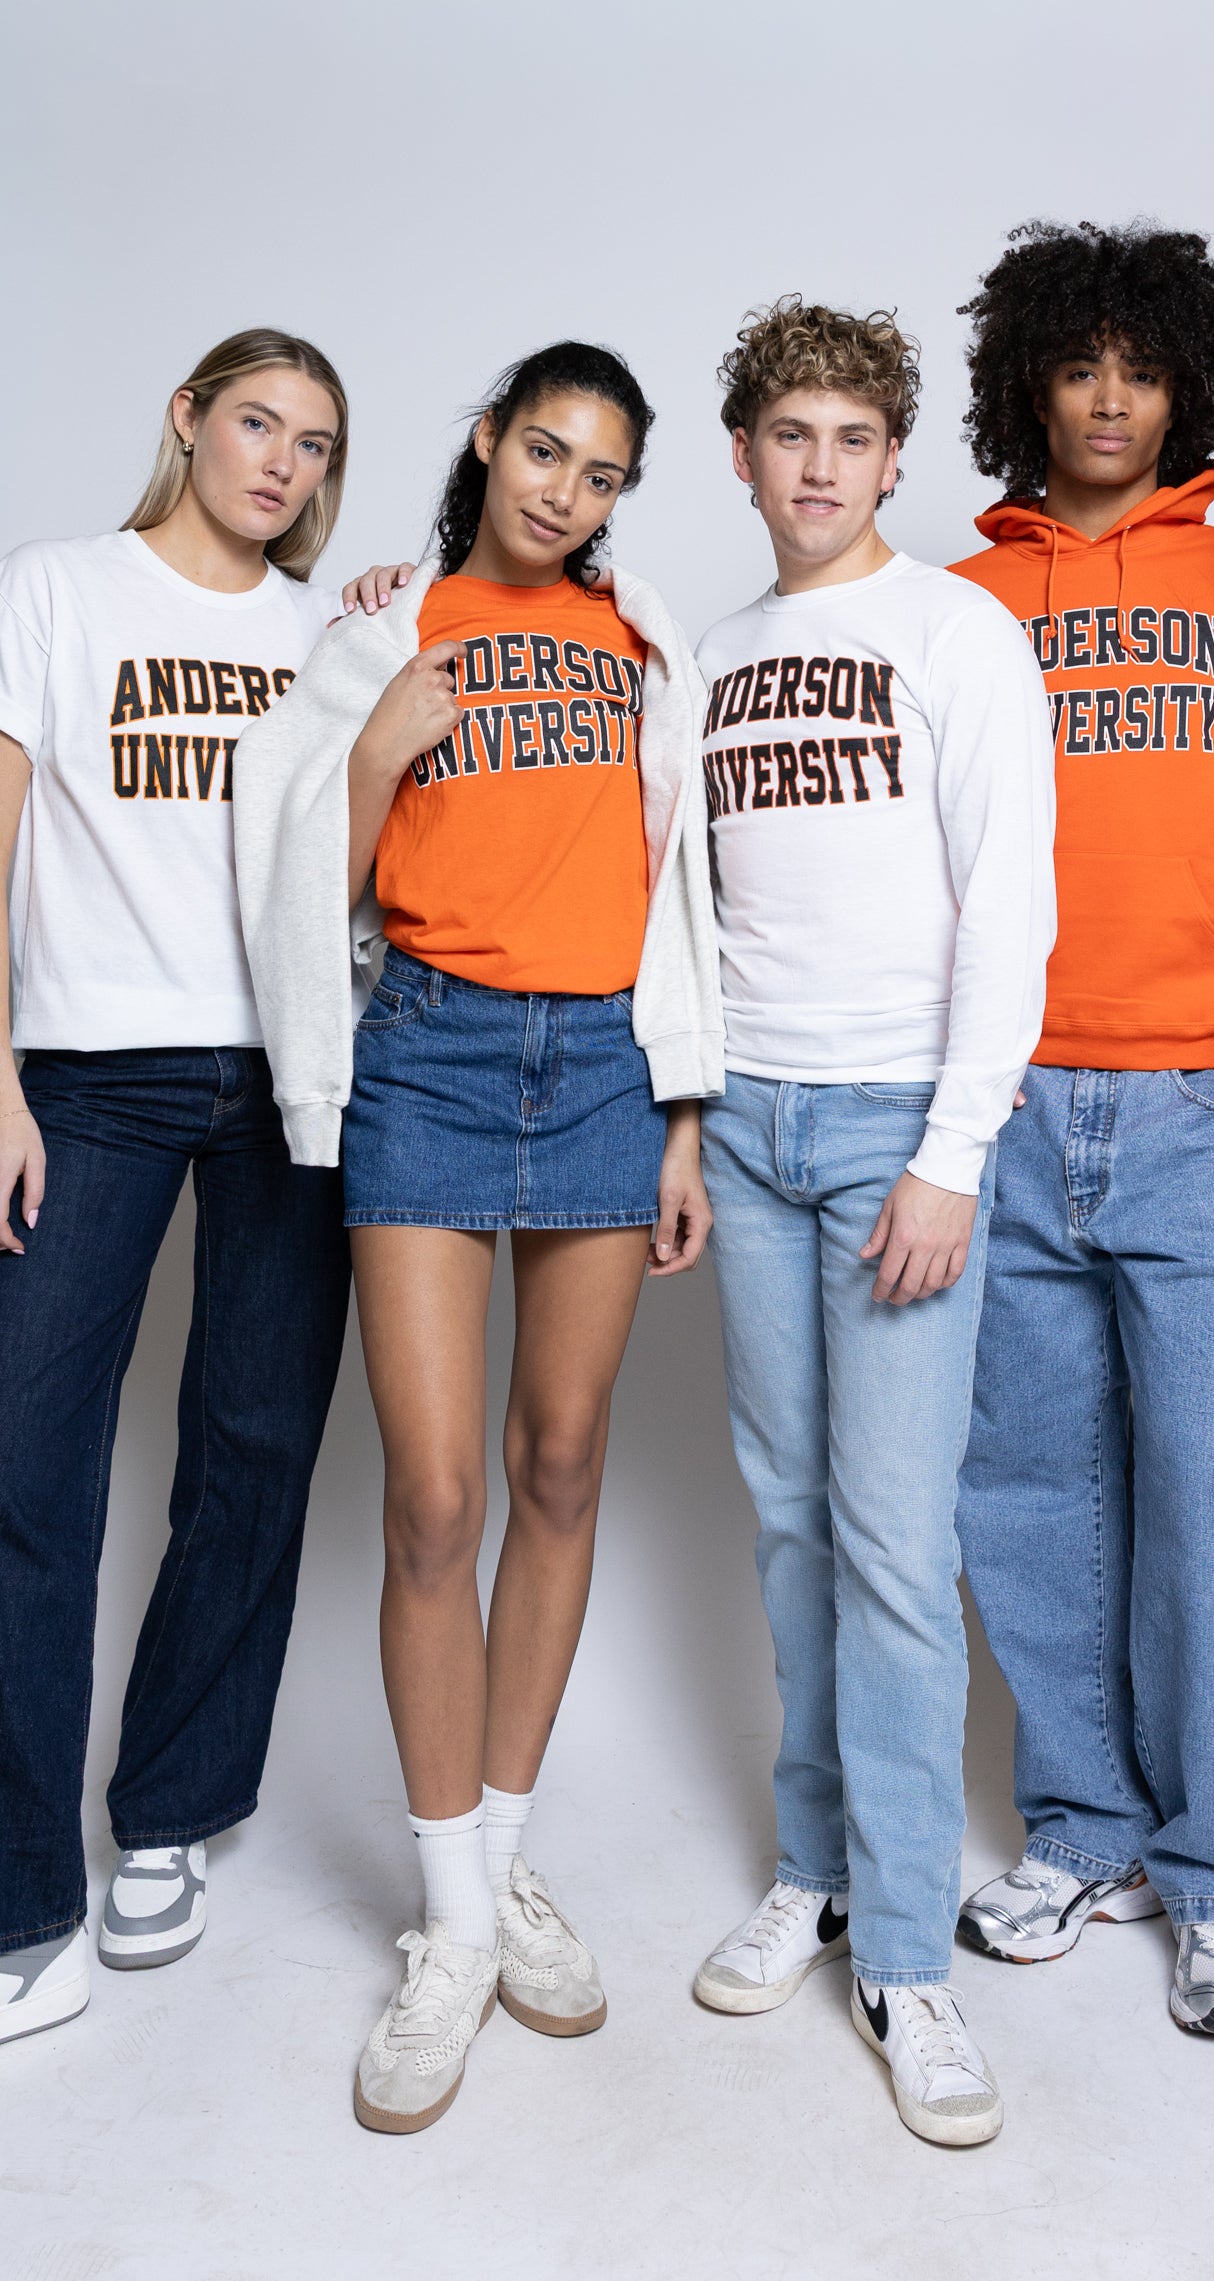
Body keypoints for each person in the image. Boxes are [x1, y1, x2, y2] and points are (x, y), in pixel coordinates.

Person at [234, 340, 723, 2136]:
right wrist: (378, 744)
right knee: (434, 1495)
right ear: (487, 444)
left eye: (601, 474)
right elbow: (302, 864)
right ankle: (448, 1926)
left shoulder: (647, 635)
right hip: (426, 1057)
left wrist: (683, 1109)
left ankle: (504, 1857)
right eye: (544, 454)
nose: (566, 494)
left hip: (603, 1059)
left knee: (564, 1464)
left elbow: (689, 882)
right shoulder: (383, 628)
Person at [690, 298, 1055, 2147]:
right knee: (785, 1516)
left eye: (851, 436)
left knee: (899, 1547)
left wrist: (953, 1154)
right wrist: (689, 1121)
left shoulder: (955, 630)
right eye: (787, 435)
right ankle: (815, 1867)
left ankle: (908, 1953)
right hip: (745, 1126)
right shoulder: (713, 654)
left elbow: (1012, 907)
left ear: (895, 456)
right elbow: (686, 911)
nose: (818, 466)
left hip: (895, 1133)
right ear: (741, 457)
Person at [950, 222, 1214, 2035]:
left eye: (1137, 367)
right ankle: (1083, 1824)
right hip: (1000, 1100)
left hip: (1204, 1105)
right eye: (1075, 366)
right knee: (1027, 1487)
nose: (1105, 398)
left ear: (1185, 385)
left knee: (1210, 1502)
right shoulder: (957, 600)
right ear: (1029, 385)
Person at [0, 329, 355, 2047]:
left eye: (312, 440)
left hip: (287, 1075)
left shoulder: (322, 634)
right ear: (186, 422)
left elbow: (362, 865)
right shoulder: (57, 593)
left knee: (256, 1448)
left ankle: (169, 1815)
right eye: (254, 423)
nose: (279, 462)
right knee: (25, 1466)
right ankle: (18, 1894)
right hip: (84, 1078)